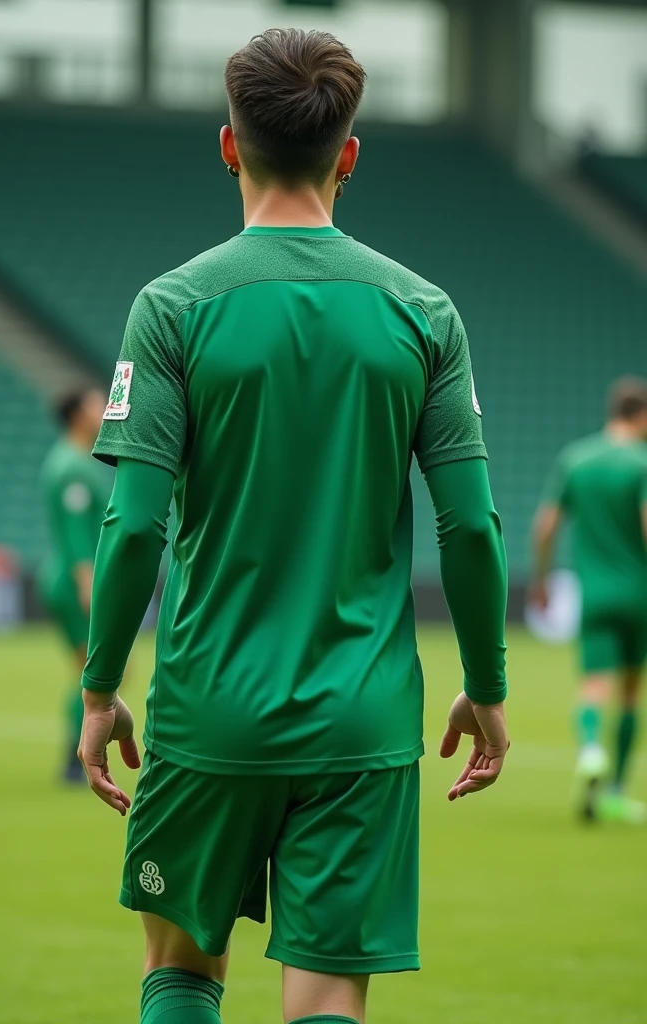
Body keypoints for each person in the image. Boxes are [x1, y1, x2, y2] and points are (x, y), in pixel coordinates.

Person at [78, 28, 509, 1024]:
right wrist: (484, 687)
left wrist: (101, 687)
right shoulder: (424, 313)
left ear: (228, 145)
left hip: (207, 712)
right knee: (325, 998)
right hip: (360, 723)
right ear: (348, 154)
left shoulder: (171, 306)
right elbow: (472, 527)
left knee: (181, 972)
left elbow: (134, 526)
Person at [532, 377, 647, 824]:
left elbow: (545, 526)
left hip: (594, 594)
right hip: (639, 593)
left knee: (593, 685)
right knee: (631, 692)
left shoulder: (576, 459)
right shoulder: (642, 463)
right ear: (640, 415)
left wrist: (541, 580)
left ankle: (591, 748)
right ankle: (616, 790)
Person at [38, 387, 108, 782]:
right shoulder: (73, 468)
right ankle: (74, 758)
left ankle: (75, 754)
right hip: (75, 579)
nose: (104, 409)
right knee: (92, 671)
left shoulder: (70, 460)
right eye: (97, 403)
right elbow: (77, 532)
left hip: (67, 577)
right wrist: (87, 580)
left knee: (91, 669)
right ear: (79, 414)